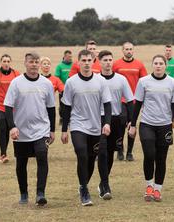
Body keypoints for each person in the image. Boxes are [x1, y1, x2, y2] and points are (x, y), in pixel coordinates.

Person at [61, 49, 112, 206]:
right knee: (82, 154)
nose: (86, 63)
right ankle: (84, 190)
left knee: (91, 158)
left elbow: (107, 104)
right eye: (83, 60)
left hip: (96, 125)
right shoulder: (71, 82)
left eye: (89, 60)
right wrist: (64, 129)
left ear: (93, 61)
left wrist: (107, 123)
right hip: (78, 125)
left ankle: (91, 183)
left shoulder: (100, 81)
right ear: (78, 62)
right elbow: (66, 107)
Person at [4, 52, 55, 206]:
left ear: (39, 64)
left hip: (41, 129)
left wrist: (52, 129)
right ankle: (23, 193)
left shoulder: (46, 83)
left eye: (36, 62)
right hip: (21, 131)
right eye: (31, 62)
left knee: (41, 155)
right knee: (21, 163)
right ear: (25, 63)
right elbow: (8, 106)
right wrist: (12, 127)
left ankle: (40, 194)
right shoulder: (16, 83)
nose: (34, 64)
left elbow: (51, 108)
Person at [128, 55, 174, 202]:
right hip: (147, 124)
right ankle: (149, 186)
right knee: (150, 154)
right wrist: (133, 125)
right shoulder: (143, 81)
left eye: (161, 63)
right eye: (156, 63)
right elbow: (137, 104)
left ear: (165, 66)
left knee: (161, 158)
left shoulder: (172, 83)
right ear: (152, 65)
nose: (158, 66)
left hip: (165, 126)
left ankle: (158, 189)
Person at [98, 50, 134, 182]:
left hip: (116, 119)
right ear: (99, 62)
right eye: (105, 60)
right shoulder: (96, 79)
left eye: (110, 60)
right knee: (101, 151)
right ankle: (102, 182)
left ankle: (104, 181)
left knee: (110, 152)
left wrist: (131, 120)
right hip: (99, 119)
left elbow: (130, 101)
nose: (108, 63)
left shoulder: (121, 79)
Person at [113, 41, 148, 161]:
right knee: (121, 124)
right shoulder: (116, 64)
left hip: (134, 100)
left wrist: (144, 101)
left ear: (133, 50)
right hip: (120, 100)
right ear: (122, 50)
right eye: (126, 49)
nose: (128, 51)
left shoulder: (139, 64)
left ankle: (129, 152)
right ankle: (119, 150)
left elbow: (144, 82)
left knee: (132, 124)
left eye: (130, 49)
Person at [0, 54, 20, 163]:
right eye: (4, 61)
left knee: (7, 129)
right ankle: (3, 154)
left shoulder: (16, 74)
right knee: (2, 128)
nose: (6, 63)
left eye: (8, 61)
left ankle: (7, 153)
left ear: (10, 62)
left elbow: (20, 90)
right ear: (0, 62)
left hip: (11, 106)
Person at [55, 50, 72, 124]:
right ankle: (62, 119)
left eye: (71, 57)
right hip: (63, 89)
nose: (70, 58)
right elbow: (57, 77)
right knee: (62, 105)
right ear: (64, 57)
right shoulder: (59, 66)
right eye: (68, 57)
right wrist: (61, 86)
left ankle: (70, 119)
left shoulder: (73, 65)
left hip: (72, 89)